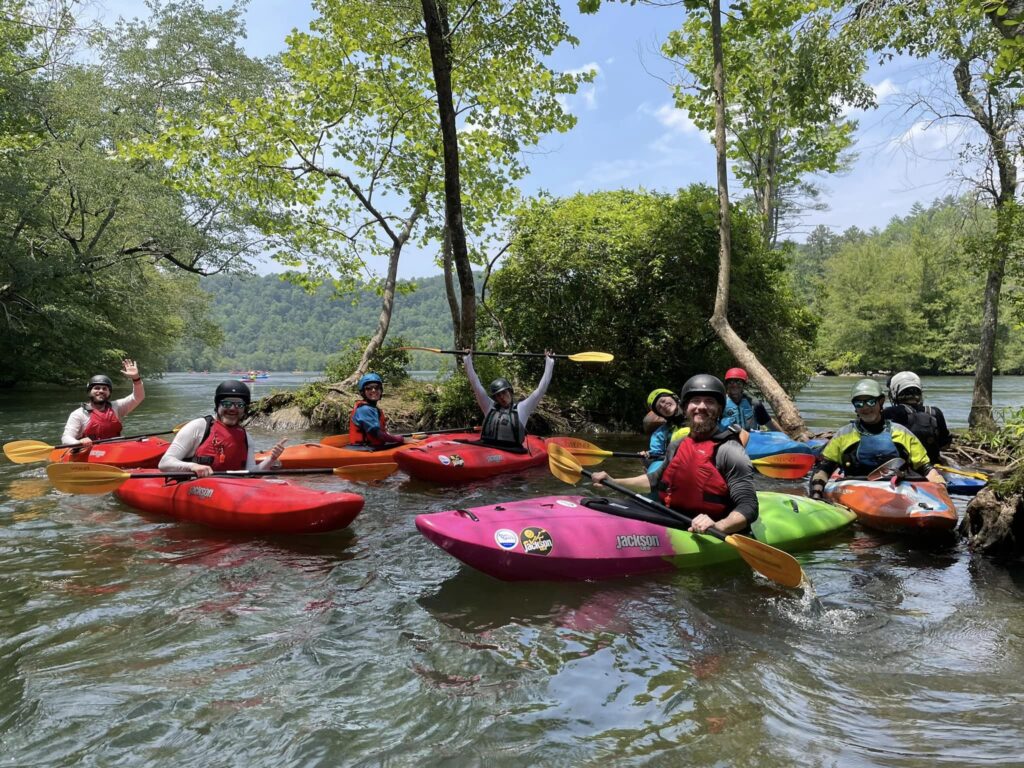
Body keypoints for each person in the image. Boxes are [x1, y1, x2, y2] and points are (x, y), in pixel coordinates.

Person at [591, 375, 758, 535]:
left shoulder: (729, 450)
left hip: (710, 526)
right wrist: (613, 481)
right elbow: (655, 480)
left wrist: (719, 526)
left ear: (719, 409)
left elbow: (748, 507)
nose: (701, 406)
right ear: (685, 408)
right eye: (695, 401)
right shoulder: (677, 445)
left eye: (709, 401)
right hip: (672, 517)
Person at [807, 378, 945, 499]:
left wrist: (940, 488)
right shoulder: (844, 435)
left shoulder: (902, 433)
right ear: (854, 407)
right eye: (859, 404)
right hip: (855, 490)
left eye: (871, 402)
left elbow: (926, 468)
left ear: (881, 402)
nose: (865, 407)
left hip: (896, 489)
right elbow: (824, 469)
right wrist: (816, 495)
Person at [159, 380, 286, 477]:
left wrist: (271, 459)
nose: (232, 408)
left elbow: (250, 472)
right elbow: (164, 463)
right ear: (217, 406)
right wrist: (193, 466)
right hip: (195, 485)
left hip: (232, 488)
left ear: (244, 410)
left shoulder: (246, 437)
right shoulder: (198, 427)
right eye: (226, 403)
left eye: (239, 405)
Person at [464, 350, 554, 450]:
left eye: (504, 393)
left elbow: (540, 390)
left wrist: (549, 362)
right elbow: (475, 384)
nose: (502, 397)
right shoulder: (488, 406)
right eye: (498, 395)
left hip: (512, 451)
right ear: (495, 398)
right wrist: (467, 359)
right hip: (488, 447)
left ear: (510, 392)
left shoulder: (522, 408)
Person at [61, 359, 146, 453]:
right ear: (89, 392)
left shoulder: (117, 407)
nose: (101, 391)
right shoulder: (78, 414)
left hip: (114, 451)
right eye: (96, 388)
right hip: (88, 452)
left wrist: (136, 378)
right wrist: (79, 442)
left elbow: (138, 397)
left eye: (105, 389)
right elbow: (66, 438)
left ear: (109, 392)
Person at [883, 371, 951, 465]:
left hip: (903, 467)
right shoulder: (935, 412)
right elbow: (944, 444)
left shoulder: (889, 412)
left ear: (895, 391)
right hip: (931, 465)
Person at [348, 372, 407, 449]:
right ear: (363, 392)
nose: (373, 390)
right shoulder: (364, 410)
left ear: (381, 390)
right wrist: (401, 439)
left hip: (372, 447)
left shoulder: (372, 408)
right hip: (364, 449)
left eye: (377, 387)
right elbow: (377, 434)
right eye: (368, 388)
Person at [719, 367, 781, 432]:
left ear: (744, 385)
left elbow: (771, 426)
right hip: (728, 440)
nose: (734, 385)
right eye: (731, 382)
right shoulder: (720, 403)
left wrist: (782, 437)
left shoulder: (754, 404)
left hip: (751, 439)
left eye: (738, 382)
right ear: (727, 384)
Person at [643, 388, 686, 468]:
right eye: (659, 408)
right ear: (661, 414)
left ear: (674, 397)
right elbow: (656, 454)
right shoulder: (660, 434)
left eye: (663, 400)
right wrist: (648, 455)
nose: (663, 406)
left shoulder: (697, 414)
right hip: (679, 467)